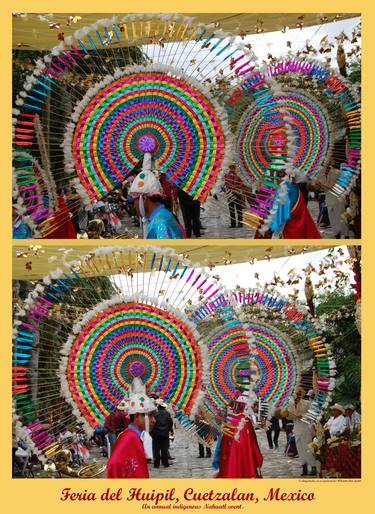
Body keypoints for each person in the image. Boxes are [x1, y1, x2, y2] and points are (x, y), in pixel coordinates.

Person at [106, 379, 156, 478]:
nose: (154, 420)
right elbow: (113, 464)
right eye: (149, 415)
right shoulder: (129, 438)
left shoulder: (133, 436)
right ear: (137, 417)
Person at [129, 153, 183, 239]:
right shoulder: (159, 217)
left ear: (144, 198)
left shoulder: (161, 222)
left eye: (135, 201)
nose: (134, 206)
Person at [214, 395, 263, 478]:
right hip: (246, 459)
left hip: (231, 461)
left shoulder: (230, 422)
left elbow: (224, 447)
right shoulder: (246, 421)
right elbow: (253, 443)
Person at [285, 388, 317, 476]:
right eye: (296, 395)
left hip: (306, 428)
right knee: (300, 449)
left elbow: (312, 414)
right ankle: (304, 467)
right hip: (297, 429)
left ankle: (313, 466)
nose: (297, 397)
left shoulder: (306, 403)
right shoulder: (290, 405)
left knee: (308, 448)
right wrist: (288, 415)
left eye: (299, 394)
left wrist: (303, 416)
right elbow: (289, 418)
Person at [151, 399, 174, 468]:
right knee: (164, 449)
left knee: (156, 450)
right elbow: (170, 423)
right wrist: (170, 430)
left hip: (156, 434)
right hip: (165, 434)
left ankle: (156, 464)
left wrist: (151, 433)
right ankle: (165, 463)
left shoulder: (155, 414)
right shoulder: (167, 413)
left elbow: (152, 424)